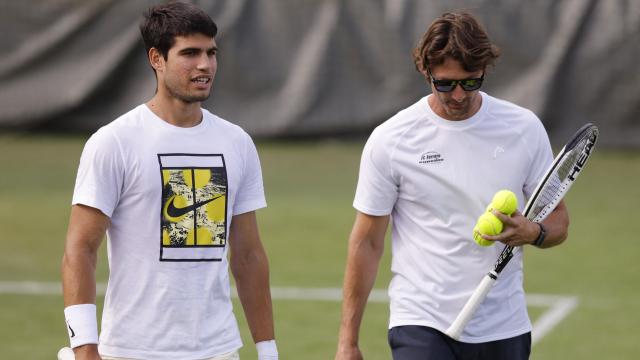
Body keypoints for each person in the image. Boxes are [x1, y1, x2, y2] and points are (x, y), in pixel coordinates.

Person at [335, 11, 569, 360]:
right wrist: (347, 342)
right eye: (445, 83)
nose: (458, 95)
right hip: (420, 322)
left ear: (485, 71)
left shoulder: (524, 128)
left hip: (504, 326)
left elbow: (560, 222)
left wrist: (532, 232)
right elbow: (367, 242)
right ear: (424, 72)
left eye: (471, 82)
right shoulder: (391, 140)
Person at [61, 2, 278, 359]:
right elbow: (79, 249)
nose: (205, 65)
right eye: (189, 53)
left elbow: (249, 255)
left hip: (218, 349)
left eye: (211, 53)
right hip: (133, 350)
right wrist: (84, 347)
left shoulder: (237, 142)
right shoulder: (114, 142)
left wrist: (268, 351)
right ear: (156, 59)